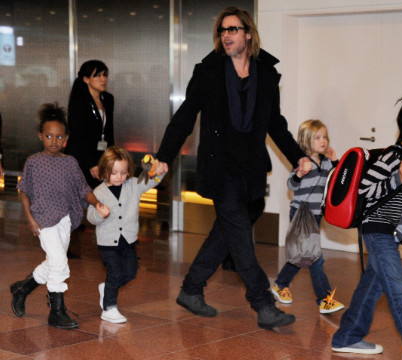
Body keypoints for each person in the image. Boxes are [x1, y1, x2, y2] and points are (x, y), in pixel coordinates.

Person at [155, 6, 311, 329]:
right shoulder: (209, 72)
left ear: (248, 34)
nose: (226, 35)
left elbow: (275, 125)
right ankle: (262, 303)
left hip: (251, 169)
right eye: (222, 31)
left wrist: (298, 156)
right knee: (240, 236)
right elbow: (184, 117)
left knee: (227, 232)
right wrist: (163, 156)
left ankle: (191, 289)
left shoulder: (265, 75)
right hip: (220, 168)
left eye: (233, 29)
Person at [331, 92, 402, 360]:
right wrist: (395, 178)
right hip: (377, 229)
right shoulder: (393, 157)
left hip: (392, 233)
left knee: (372, 286)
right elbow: (363, 190)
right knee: (400, 292)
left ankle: (346, 336)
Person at [9, 103, 109, 329]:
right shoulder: (33, 162)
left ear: (66, 139)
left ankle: (22, 288)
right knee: (60, 262)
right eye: (48, 136)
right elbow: (24, 191)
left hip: (65, 219)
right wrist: (31, 220)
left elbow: (83, 189)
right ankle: (57, 312)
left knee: (54, 263)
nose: (54, 141)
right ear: (40, 136)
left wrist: (98, 203)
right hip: (43, 220)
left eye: (59, 137)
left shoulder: (70, 162)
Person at [270, 119, 344, 314]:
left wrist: (335, 160)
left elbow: (337, 180)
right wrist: (299, 175)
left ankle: (279, 285)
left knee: (302, 256)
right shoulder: (303, 161)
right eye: (317, 138)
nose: (323, 141)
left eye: (324, 137)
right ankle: (324, 299)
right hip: (301, 214)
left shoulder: (326, 162)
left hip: (316, 214)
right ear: (305, 141)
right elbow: (291, 186)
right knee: (315, 257)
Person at [86, 147, 167, 324]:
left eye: (123, 172)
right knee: (115, 272)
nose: (119, 176)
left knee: (130, 273)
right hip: (108, 243)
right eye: (114, 173)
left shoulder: (132, 185)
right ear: (104, 172)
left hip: (128, 240)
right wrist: (99, 214)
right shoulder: (98, 192)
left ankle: (107, 289)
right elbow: (90, 216)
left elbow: (151, 181)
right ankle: (109, 307)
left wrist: (160, 172)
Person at [65, 60, 114, 189]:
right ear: (86, 79)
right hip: (81, 157)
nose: (103, 79)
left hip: (101, 155)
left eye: (105, 75)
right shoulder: (78, 101)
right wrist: (91, 164)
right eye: (97, 75)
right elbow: (78, 135)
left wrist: (112, 157)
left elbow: (109, 131)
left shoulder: (108, 99)